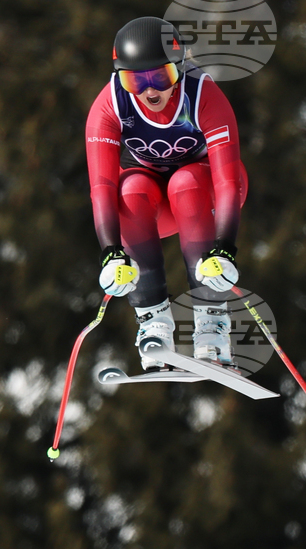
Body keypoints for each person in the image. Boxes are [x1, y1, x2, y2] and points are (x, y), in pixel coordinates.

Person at [84, 16, 248, 372]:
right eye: (134, 81)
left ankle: (212, 327)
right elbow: (102, 187)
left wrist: (225, 249)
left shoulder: (202, 95)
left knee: (185, 182)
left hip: (210, 194)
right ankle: (153, 323)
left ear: (178, 69)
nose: (149, 91)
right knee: (131, 188)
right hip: (159, 205)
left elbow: (225, 180)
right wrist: (111, 253)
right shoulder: (111, 104)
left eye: (160, 77)